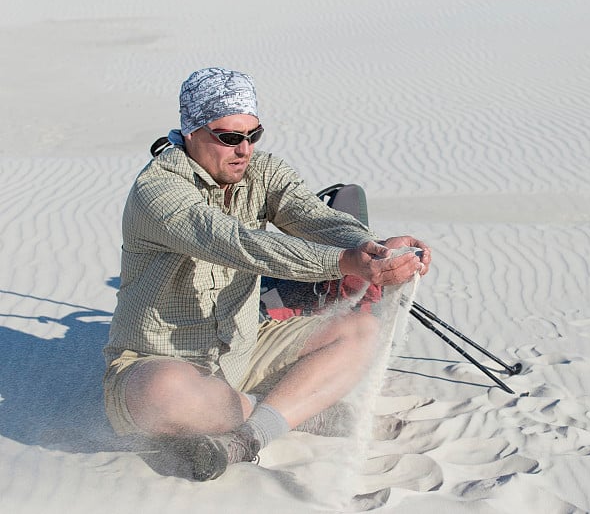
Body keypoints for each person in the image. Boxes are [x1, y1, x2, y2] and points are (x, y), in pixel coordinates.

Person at [103, 67, 431, 481]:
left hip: (243, 349)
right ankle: (287, 409)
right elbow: (238, 243)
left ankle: (250, 436)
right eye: (229, 137)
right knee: (163, 393)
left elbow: (317, 219)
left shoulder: (263, 172)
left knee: (360, 331)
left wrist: (376, 248)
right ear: (190, 132)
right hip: (161, 363)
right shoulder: (158, 191)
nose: (244, 150)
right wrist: (346, 261)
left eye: (252, 136)